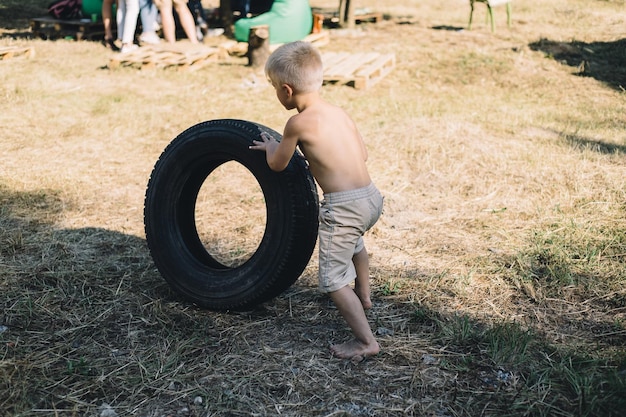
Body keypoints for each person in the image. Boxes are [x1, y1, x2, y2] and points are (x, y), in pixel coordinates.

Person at [249, 41, 384, 361]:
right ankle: (364, 294)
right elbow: (361, 154)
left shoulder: (297, 123)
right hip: (371, 198)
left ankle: (366, 342)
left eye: (272, 87)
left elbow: (279, 164)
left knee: (333, 281)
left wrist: (272, 146)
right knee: (355, 245)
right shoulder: (338, 112)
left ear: (286, 90)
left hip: (345, 206)